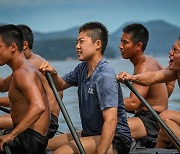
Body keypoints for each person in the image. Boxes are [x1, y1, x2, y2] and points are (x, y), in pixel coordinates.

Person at [40, 21, 132, 154]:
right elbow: (60, 85)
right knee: (44, 145)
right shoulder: (82, 68)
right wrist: (53, 73)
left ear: (98, 44)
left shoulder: (105, 76)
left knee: (61, 152)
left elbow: (111, 121)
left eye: (81, 42)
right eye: (76, 42)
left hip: (116, 139)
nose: (77, 46)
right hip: (90, 133)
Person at [116, 36, 180, 150]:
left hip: (151, 119)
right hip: (153, 120)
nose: (171, 52)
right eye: (172, 49)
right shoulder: (175, 71)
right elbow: (153, 77)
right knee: (164, 132)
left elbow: (133, 103)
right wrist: (132, 77)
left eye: (176, 50)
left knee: (165, 116)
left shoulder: (146, 63)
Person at [0, 24, 63, 139]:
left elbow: (6, 89)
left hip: (46, 122)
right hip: (38, 119)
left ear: (22, 45)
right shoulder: (23, 66)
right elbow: (5, 88)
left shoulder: (31, 65)